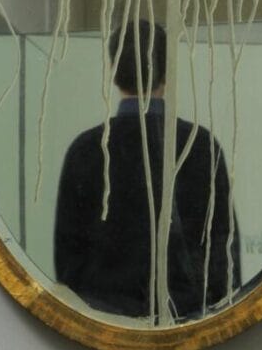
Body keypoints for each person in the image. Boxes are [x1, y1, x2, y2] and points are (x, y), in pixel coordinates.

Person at [53, 21, 241, 322]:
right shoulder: (201, 146)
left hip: (105, 325)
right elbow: (223, 252)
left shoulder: (86, 150)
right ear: (168, 71)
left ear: (113, 70)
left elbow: (68, 263)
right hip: (187, 324)